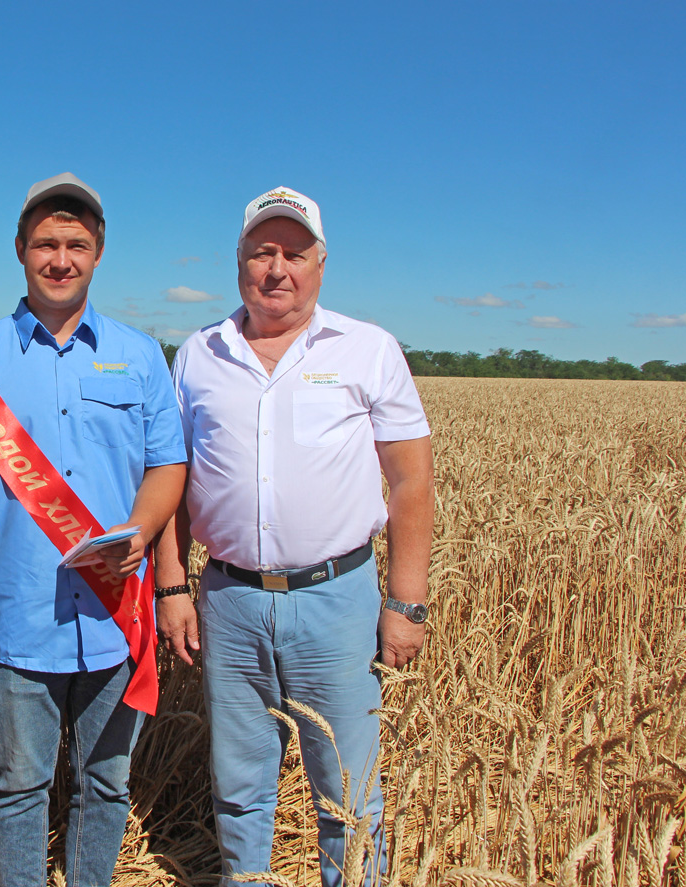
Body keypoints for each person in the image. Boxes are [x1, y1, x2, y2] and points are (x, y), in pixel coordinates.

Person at [154, 187, 434, 887]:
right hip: (229, 599)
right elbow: (173, 480)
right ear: (240, 260)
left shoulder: (368, 350)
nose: (278, 268)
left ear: (321, 261)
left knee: (349, 790)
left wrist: (405, 602)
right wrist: (172, 583)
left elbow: (410, 484)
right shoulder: (198, 354)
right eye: (262, 251)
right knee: (240, 789)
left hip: (336, 601)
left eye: (295, 253)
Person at [0, 173, 186, 887]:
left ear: (98, 252)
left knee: (104, 783)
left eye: (76, 243)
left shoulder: (140, 355)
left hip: (115, 612)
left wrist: (142, 530)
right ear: (20, 250)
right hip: (20, 611)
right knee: (19, 786)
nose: (61, 258)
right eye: (46, 242)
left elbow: (168, 464)